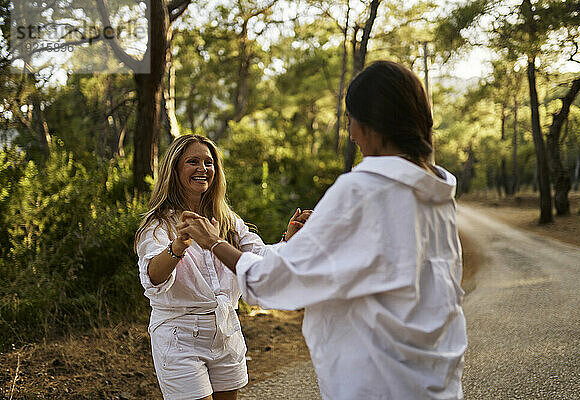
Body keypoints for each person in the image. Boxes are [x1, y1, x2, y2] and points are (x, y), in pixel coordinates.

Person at [180, 61, 468, 399]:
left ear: (372, 124)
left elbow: (272, 282)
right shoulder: (435, 192)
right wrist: (307, 241)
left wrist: (214, 242)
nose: (351, 134)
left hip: (378, 384)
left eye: (351, 122)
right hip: (435, 380)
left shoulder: (362, 190)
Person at [134, 134, 310, 400]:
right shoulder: (159, 224)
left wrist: (289, 239)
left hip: (226, 331)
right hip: (179, 336)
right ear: (175, 169)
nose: (202, 169)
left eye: (209, 162)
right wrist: (178, 246)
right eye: (193, 161)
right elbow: (152, 277)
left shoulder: (228, 220)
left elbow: (259, 259)